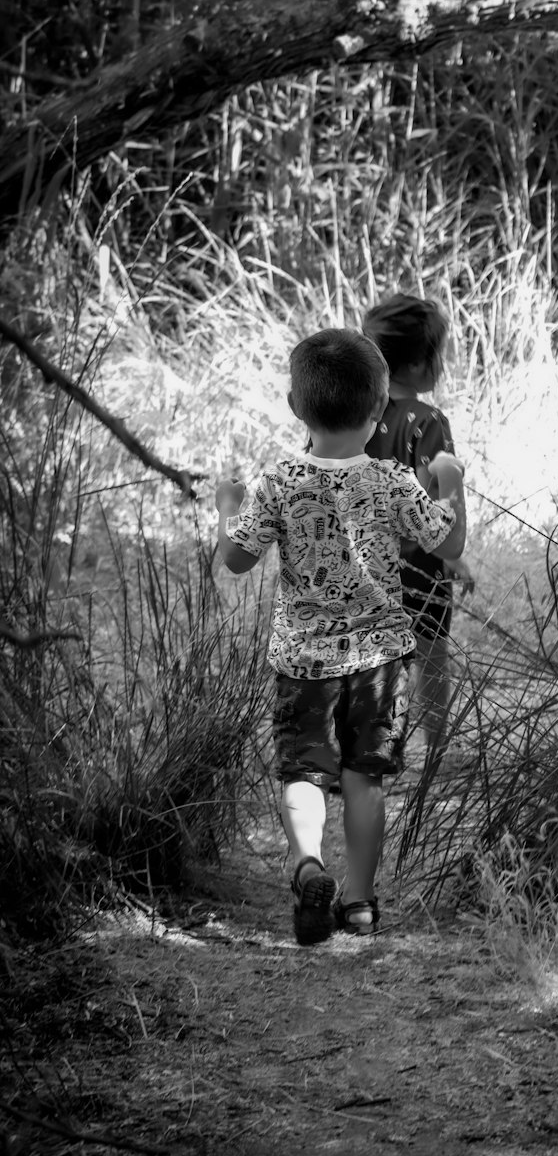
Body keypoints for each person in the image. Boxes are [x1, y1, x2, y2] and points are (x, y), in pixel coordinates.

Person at [215, 327, 466, 944]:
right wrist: (450, 481)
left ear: (298, 408)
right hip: (379, 660)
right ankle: (358, 902)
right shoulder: (390, 481)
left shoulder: (278, 481)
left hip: (303, 661)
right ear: (379, 407)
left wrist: (226, 505)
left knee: (302, 771)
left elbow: (236, 560)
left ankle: (307, 866)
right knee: (365, 778)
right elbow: (449, 544)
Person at [362, 294, 474, 755]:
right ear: (414, 365)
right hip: (419, 568)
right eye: (439, 354)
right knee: (430, 660)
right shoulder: (427, 422)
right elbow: (432, 508)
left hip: (363, 564)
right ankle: (436, 753)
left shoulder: (358, 417)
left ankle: (376, 751)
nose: (443, 364)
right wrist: (454, 555)